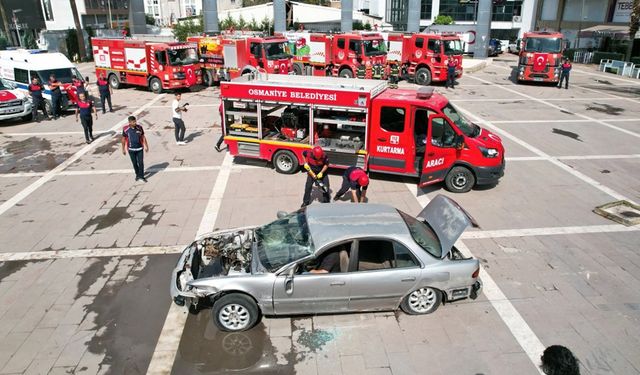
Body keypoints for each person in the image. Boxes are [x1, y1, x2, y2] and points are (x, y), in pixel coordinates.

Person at [122, 116, 149, 182]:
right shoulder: (125, 129)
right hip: (131, 150)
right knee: (134, 163)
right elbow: (123, 139)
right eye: (133, 122)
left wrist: (146, 146)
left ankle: (142, 176)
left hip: (140, 148)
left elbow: (143, 137)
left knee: (141, 163)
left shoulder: (139, 127)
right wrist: (123, 149)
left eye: (135, 121)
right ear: (129, 122)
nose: (135, 123)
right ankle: (137, 174)